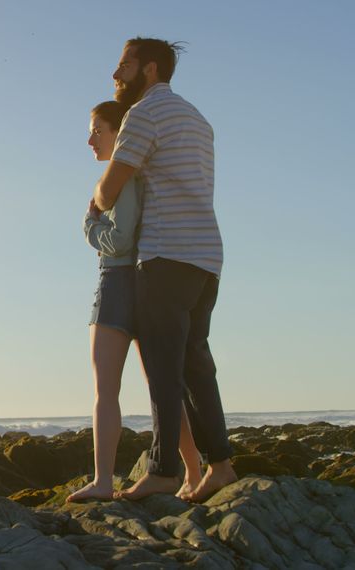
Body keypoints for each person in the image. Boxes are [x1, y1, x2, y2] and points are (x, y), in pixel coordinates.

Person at [92, 37, 238, 502]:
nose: (116, 75)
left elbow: (111, 191)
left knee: (162, 367)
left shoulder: (144, 115)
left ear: (149, 69)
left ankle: (162, 470)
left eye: (124, 65)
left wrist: (94, 201)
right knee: (197, 365)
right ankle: (221, 466)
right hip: (206, 257)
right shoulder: (198, 118)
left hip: (165, 255)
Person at [66, 101, 203, 502]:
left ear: (118, 133)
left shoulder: (122, 179)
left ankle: (103, 481)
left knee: (106, 390)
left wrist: (90, 225)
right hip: (149, 282)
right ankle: (193, 473)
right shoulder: (150, 177)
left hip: (118, 282)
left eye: (97, 130)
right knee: (162, 387)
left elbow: (119, 239)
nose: (90, 139)